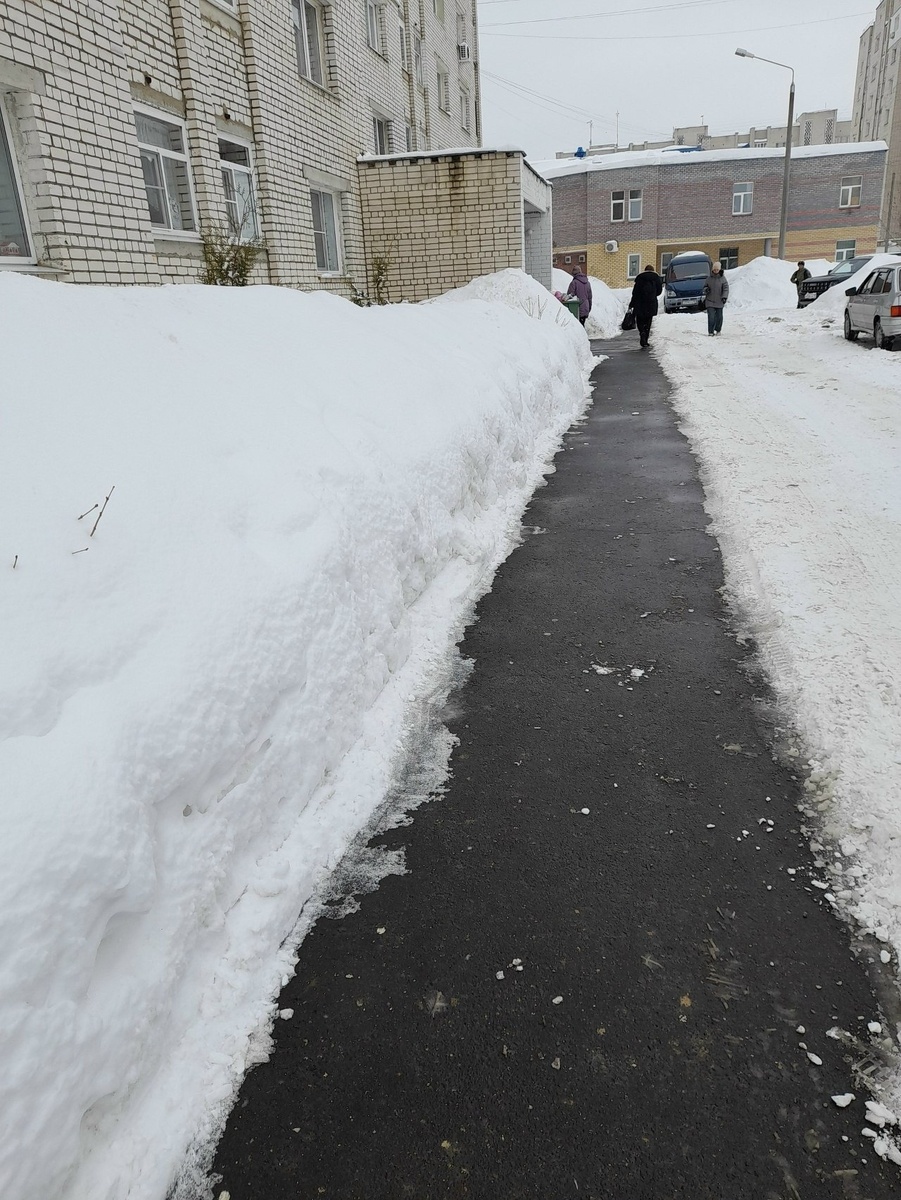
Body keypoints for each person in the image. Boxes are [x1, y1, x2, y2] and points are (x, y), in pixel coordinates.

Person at [629, 264, 663, 348]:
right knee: (648, 321)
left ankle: (642, 332)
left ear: (645, 270)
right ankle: (646, 338)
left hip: (640, 303)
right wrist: (653, 295)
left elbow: (635, 293)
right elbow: (659, 291)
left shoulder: (640, 278)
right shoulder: (656, 278)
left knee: (640, 320)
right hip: (651, 303)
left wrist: (632, 304)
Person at [703, 261, 729, 336]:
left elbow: (726, 289)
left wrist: (724, 297)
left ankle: (718, 330)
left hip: (719, 301)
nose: (715, 271)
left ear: (719, 270)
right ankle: (711, 331)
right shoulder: (709, 278)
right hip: (710, 301)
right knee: (711, 317)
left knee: (719, 317)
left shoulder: (723, 279)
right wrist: (706, 289)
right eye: (714, 269)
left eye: (717, 269)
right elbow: (704, 287)